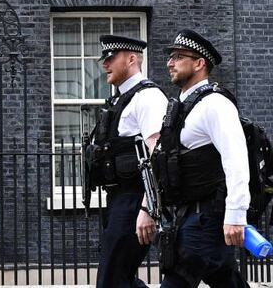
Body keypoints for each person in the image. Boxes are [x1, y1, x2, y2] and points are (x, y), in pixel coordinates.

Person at [158, 29, 251, 287]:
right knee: (225, 278)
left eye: (178, 56)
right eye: (170, 57)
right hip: (188, 214)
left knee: (177, 277)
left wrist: (235, 214)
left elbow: (236, 158)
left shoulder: (215, 104)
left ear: (199, 63)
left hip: (206, 216)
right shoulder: (181, 106)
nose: (170, 62)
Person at [91, 34, 168, 288]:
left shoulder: (148, 97)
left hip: (134, 199)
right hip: (117, 200)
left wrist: (148, 208)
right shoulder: (120, 99)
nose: (105, 64)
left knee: (111, 280)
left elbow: (157, 152)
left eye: (111, 58)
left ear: (132, 59)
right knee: (119, 278)